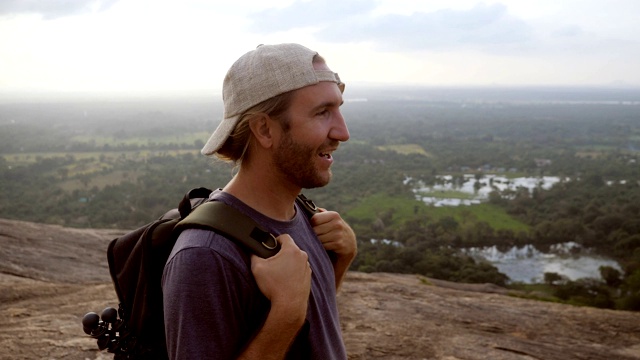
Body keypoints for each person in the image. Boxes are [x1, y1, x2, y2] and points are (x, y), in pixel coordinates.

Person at [162, 43, 357, 360]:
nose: (343, 131)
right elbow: (292, 318)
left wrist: (340, 262)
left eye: (338, 108)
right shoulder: (205, 255)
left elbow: (313, 333)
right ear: (265, 129)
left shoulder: (304, 217)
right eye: (323, 112)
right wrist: (286, 314)